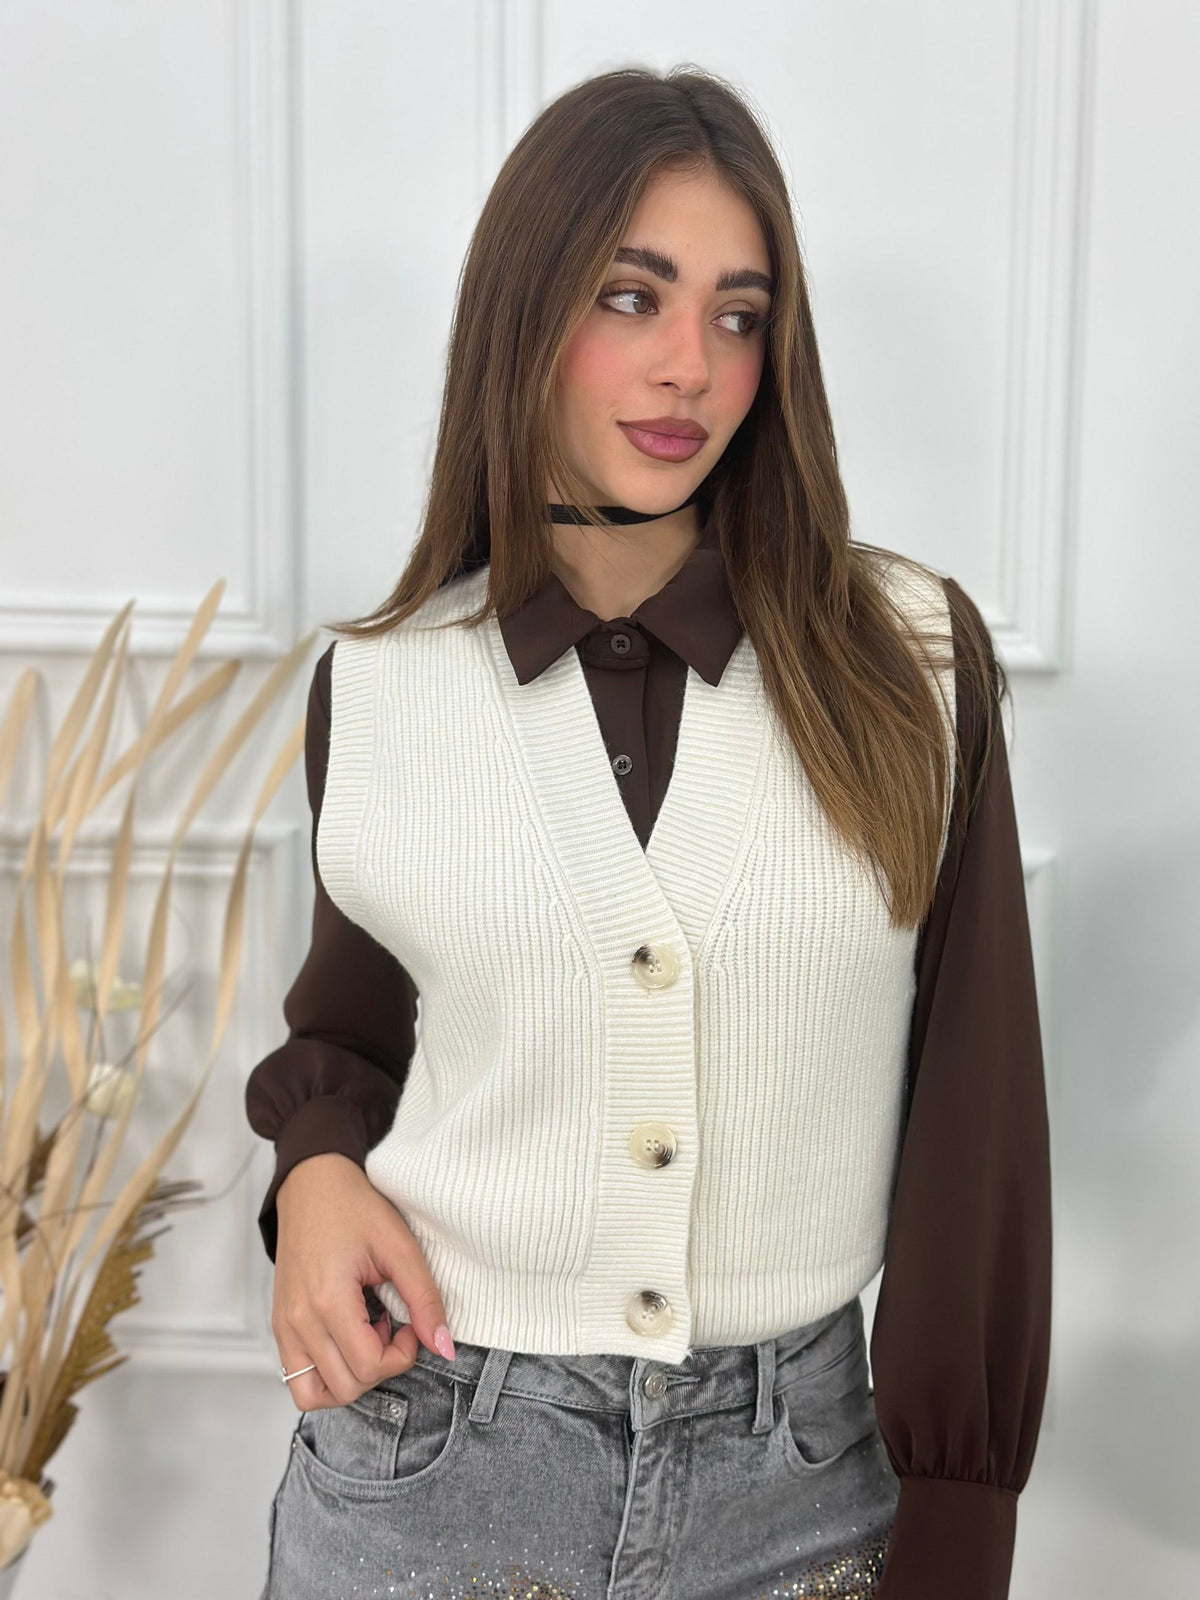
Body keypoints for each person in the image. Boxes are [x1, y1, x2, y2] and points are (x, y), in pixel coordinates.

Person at [244, 64, 1052, 1600]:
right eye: (633, 297)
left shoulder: (911, 661)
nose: (691, 366)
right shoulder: (386, 683)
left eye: (739, 316)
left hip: (802, 1492)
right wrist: (314, 1175)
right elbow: (348, 1039)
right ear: (524, 311)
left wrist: (961, 1526)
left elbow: (980, 1109)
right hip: (427, 1468)